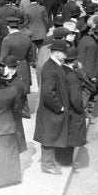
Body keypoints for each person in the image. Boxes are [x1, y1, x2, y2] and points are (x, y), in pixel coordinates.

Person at [33, 39, 73, 174]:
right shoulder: (51, 68)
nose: (66, 55)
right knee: (49, 137)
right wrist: (59, 107)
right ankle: (47, 164)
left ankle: (50, 162)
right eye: (64, 53)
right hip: (51, 110)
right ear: (56, 53)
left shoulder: (54, 65)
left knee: (51, 135)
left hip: (51, 109)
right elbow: (47, 92)